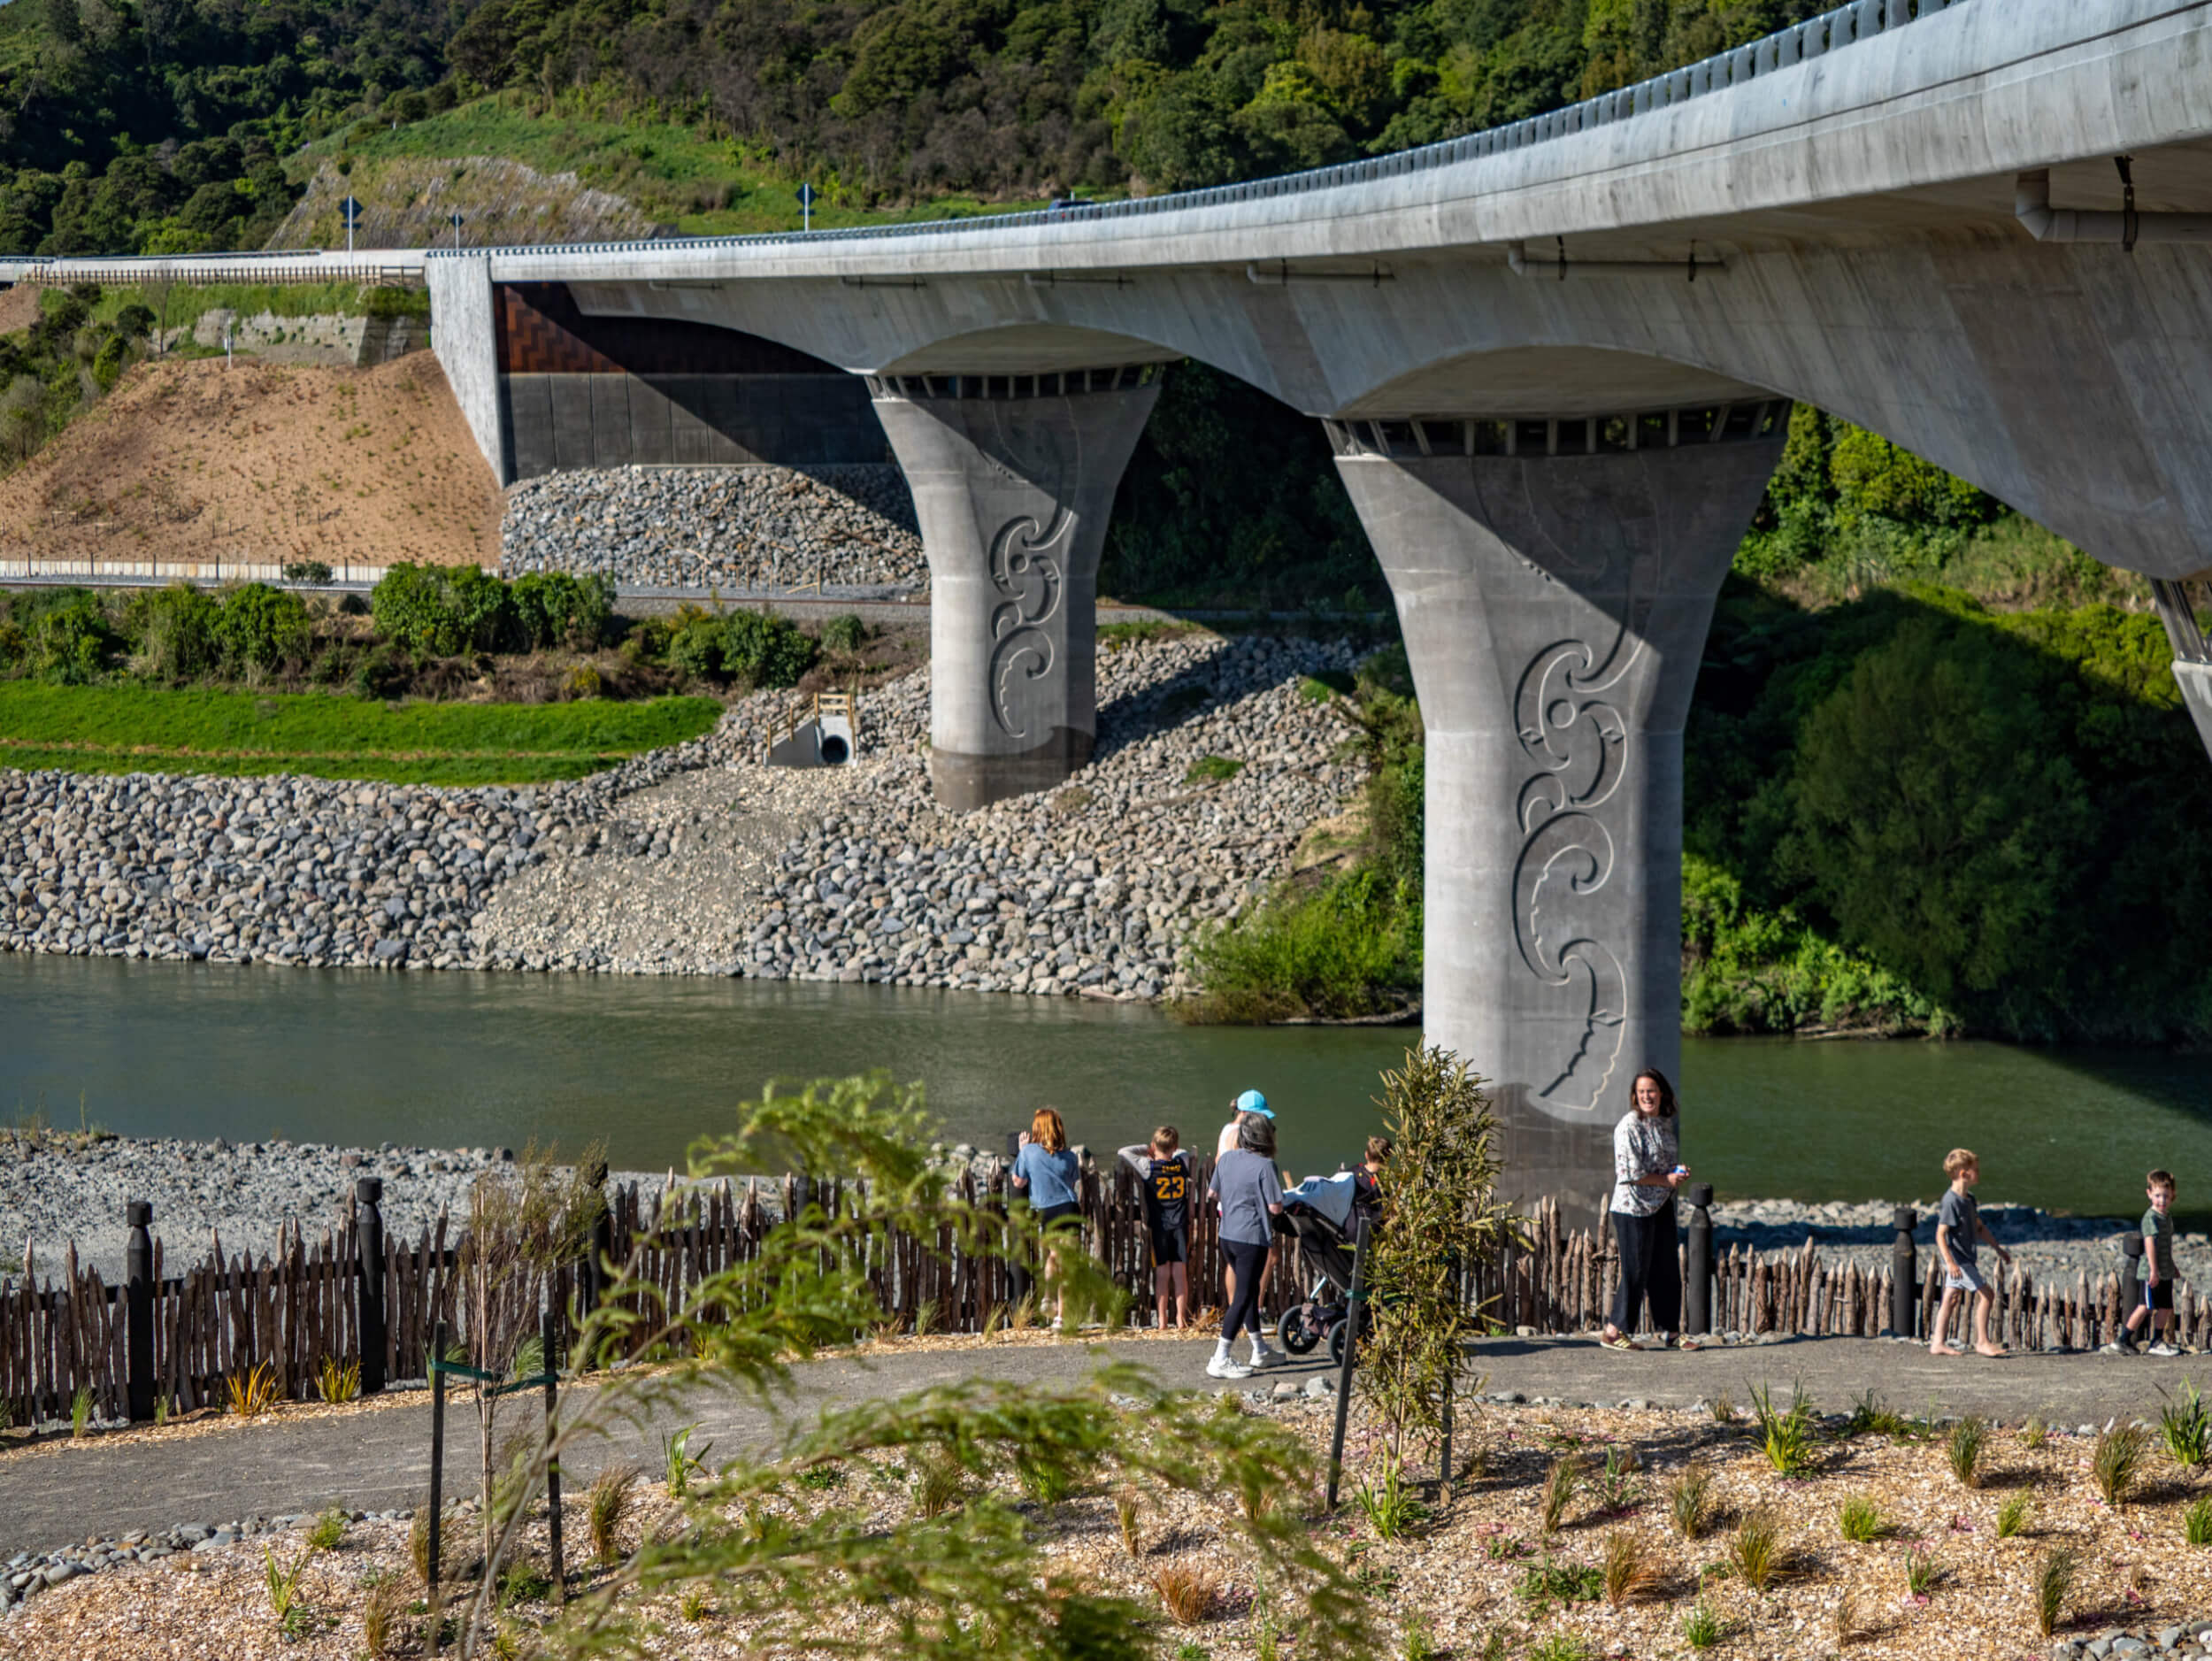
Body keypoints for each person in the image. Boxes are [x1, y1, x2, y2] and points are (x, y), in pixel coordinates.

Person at [1600, 1067, 1698, 1352]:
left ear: (1662, 1093)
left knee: (1666, 1269)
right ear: (1635, 1096)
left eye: (1651, 1091)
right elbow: (1629, 1173)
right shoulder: (1629, 1126)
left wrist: (1677, 1174)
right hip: (1632, 1207)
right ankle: (1613, 1331)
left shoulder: (1663, 1123)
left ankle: (1670, 1331)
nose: (1647, 1096)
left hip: (1661, 1204)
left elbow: (1660, 1165)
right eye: (1641, 1092)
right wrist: (1667, 1179)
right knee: (1635, 1269)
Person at [1207, 1111, 1287, 1378]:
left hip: (1227, 1234)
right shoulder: (1265, 1166)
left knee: (1249, 1291)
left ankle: (1260, 1350)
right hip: (1251, 1238)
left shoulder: (1227, 1158)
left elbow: (1212, 1193)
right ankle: (1220, 1357)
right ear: (1266, 1137)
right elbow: (1276, 1207)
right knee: (1242, 1296)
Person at [1931, 1147, 2013, 1358]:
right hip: (1959, 1260)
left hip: (1964, 1258)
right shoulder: (1951, 1202)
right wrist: (1950, 1262)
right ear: (1963, 1173)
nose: (1979, 1172)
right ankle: (1982, 1342)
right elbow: (1940, 1234)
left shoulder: (1969, 1199)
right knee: (1988, 1294)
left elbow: (1979, 1227)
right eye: (1975, 1169)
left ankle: (1937, 1343)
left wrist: (1998, 1248)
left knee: (1950, 1298)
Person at [1118, 1126, 1195, 1331]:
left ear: (1154, 1145)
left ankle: (1161, 1321)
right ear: (1175, 1146)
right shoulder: (1182, 1162)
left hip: (1160, 1227)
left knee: (1162, 1273)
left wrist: (1147, 1148)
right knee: (1180, 1274)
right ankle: (1181, 1320)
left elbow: (1123, 1152)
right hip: (1179, 1226)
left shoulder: (1147, 1166)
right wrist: (1170, 1148)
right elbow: (1183, 1152)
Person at [1012, 1107, 1082, 1332]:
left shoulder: (1029, 1152)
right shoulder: (1070, 1156)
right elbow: (1072, 1183)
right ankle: (1060, 1316)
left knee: (1053, 1256)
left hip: (1046, 1210)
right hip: (1069, 1208)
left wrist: (1022, 1150)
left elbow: (1018, 1182)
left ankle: (1049, 1297)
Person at [1217, 1088, 1277, 1309]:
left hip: (1228, 1204)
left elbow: (1219, 1163)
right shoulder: (1241, 1134)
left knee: (1234, 1261)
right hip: (1247, 1205)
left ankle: (1237, 1308)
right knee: (1267, 1256)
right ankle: (1254, 1308)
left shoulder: (1226, 1130)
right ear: (1246, 1113)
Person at [2111, 1168, 2182, 1357]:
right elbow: (2150, 1243)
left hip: (2164, 1270)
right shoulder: (2150, 1218)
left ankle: (2157, 1340)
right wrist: (2153, 1269)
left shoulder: (2166, 1217)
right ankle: (2123, 1339)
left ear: (2173, 1195)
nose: (2162, 1200)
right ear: (2149, 1194)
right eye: (2158, 1195)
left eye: (2166, 1196)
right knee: (2145, 1306)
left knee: (2166, 1307)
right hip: (2152, 1271)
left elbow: (2165, 1245)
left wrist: (2172, 1265)